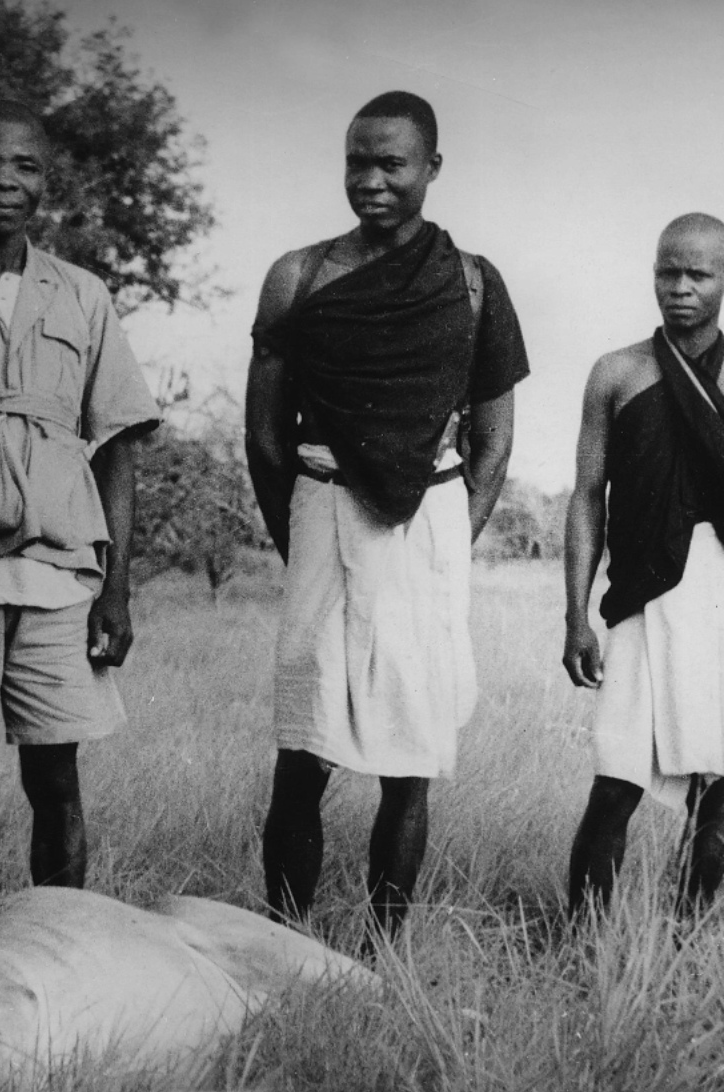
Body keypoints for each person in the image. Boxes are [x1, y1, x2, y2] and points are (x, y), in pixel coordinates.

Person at [245, 92, 529, 940]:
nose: (370, 180)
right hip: (322, 508)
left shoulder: (473, 282)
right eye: (356, 162)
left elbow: (493, 441)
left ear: (432, 169)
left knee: (411, 760)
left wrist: (448, 543)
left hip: (428, 526)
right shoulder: (299, 275)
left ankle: (381, 957)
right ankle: (283, 942)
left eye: (391, 164)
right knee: (303, 749)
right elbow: (265, 434)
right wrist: (300, 536)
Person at [0, 100, 160, 891]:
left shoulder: (82, 294)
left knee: (54, 777)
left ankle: (61, 933)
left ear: (47, 181)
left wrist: (115, 589)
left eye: (25, 166)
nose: (4, 181)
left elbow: (115, 444)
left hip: (58, 573)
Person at [564, 214, 724, 919]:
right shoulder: (618, 372)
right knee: (614, 782)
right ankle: (582, 946)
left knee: (719, 792)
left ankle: (685, 946)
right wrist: (575, 615)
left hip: (718, 597)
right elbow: (585, 497)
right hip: (639, 595)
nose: (680, 287)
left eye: (699, 274)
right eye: (668, 271)